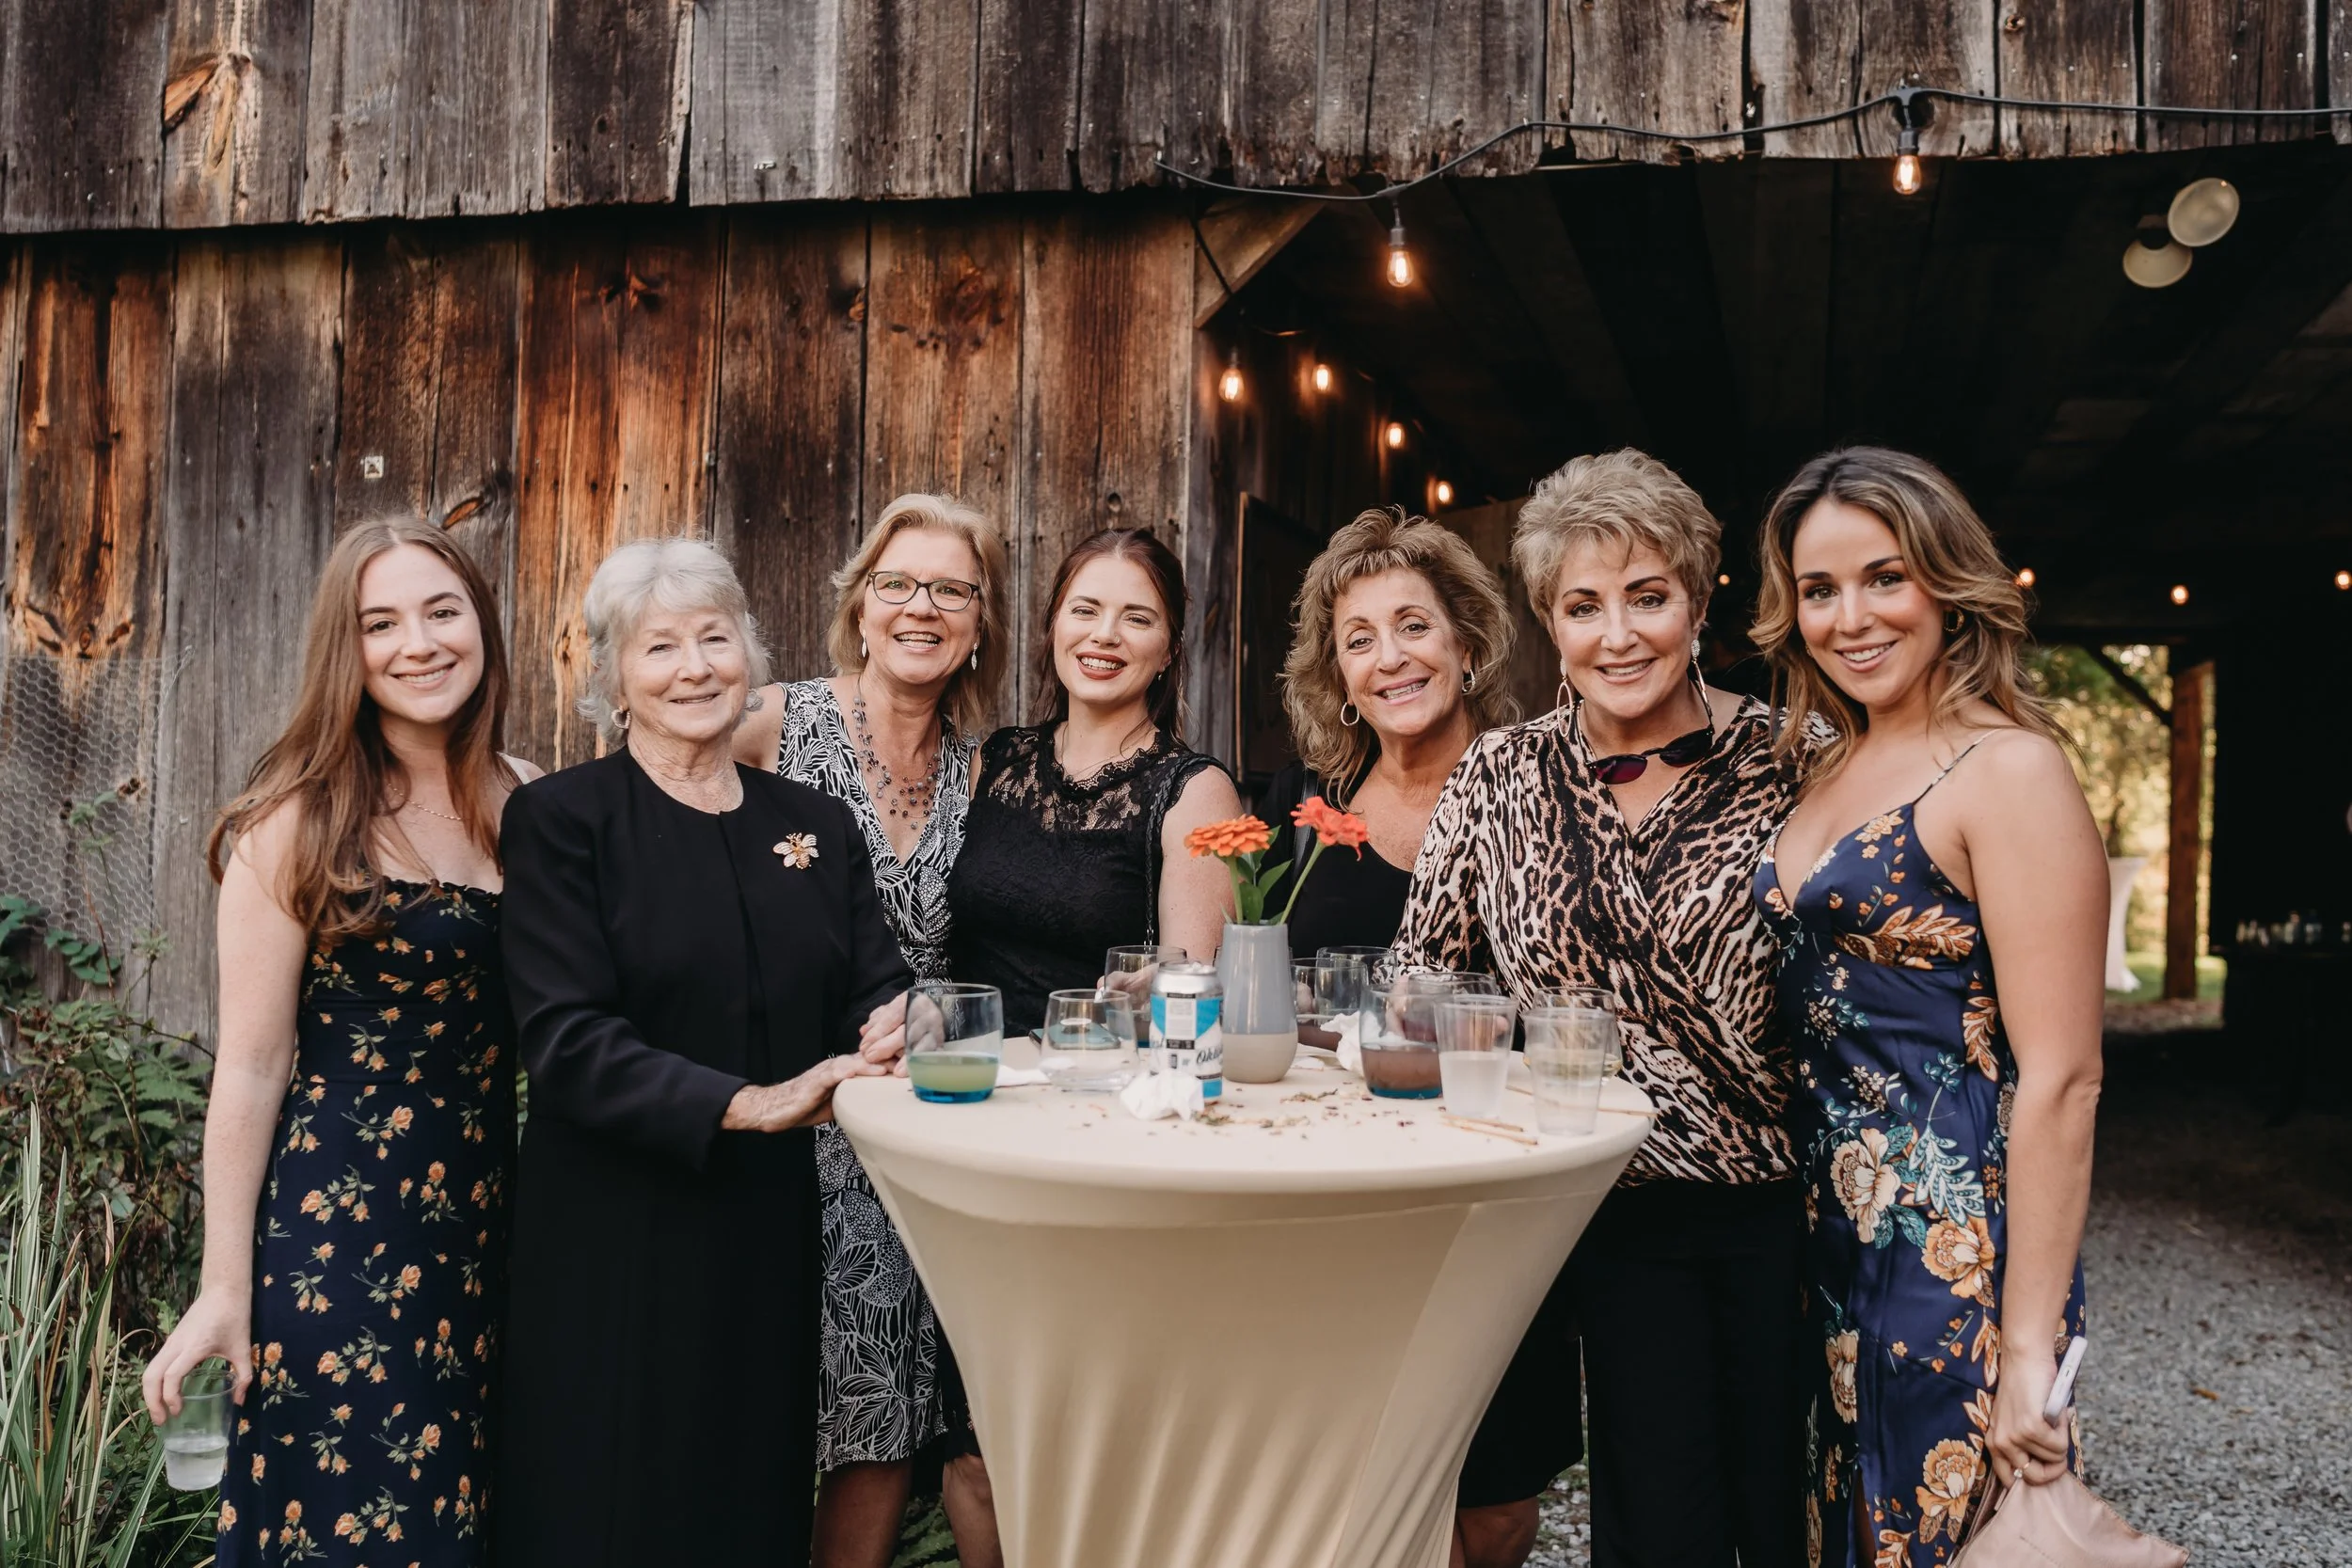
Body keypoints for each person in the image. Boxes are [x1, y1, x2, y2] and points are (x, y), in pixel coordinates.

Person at [1394, 450, 1809, 1568]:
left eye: (1647, 596)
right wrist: (1510, 1059)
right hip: (1601, 1201)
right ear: (1549, 621)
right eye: (1583, 606)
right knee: (1660, 1522)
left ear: (1698, 600)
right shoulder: (1499, 774)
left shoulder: (1794, 757)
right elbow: (1419, 985)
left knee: (1789, 1512)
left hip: (1784, 1205)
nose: (1617, 635)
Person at [494, 537, 910, 1567]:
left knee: (746, 1495)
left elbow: (877, 987)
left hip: (762, 1227)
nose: (694, 667)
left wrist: (909, 1023)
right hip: (610, 1232)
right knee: (608, 1504)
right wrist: (752, 1102)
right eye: (660, 646)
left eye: (714, 639)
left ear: (749, 655)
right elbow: (567, 1038)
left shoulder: (814, 824)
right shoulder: (562, 819)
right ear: (613, 678)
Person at [143, 519, 537, 1565]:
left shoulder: (529, 798)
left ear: (482, 623)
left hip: (492, 1240)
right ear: (345, 649)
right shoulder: (297, 822)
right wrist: (224, 1286)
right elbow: (251, 1068)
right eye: (382, 622)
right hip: (341, 1246)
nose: (420, 642)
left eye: (442, 611)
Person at [1749, 448, 2101, 1568]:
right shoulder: (1825, 761)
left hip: (1951, 1250)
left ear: (1947, 584)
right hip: (1824, 1236)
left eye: (1884, 577)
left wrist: (2030, 1347)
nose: (1849, 617)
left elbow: (2062, 1076)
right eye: (1818, 589)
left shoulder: (2008, 770)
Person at [733, 494, 1008, 1568]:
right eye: (897, 583)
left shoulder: (982, 771)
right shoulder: (770, 722)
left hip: (893, 1128)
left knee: (876, 1408)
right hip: (764, 1106)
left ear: (980, 622)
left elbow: (986, 951)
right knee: (743, 1393)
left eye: (950, 589)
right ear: (860, 605)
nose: (920, 607)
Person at [944, 526, 1240, 1032]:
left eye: (1137, 618)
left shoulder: (1195, 792)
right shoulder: (996, 759)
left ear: (1169, 650)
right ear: (1054, 625)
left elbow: (1190, 1009)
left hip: (1093, 1070)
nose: (1104, 634)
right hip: (968, 1066)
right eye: (1085, 610)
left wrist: (1154, 992)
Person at [1258, 506, 1517, 958]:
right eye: (1360, 641)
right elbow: (1246, 973)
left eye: (1414, 626)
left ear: (1467, 649)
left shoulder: (1534, 794)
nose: (1391, 658)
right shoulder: (1300, 802)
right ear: (1343, 682)